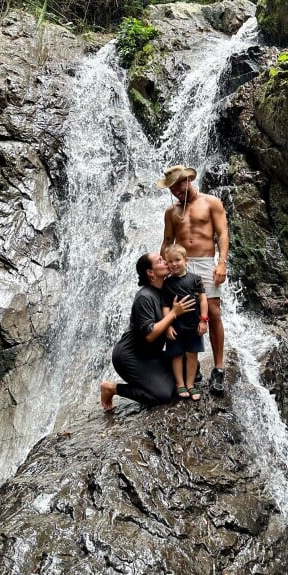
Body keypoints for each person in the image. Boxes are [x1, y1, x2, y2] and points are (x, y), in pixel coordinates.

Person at [158, 164, 228, 394]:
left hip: (206, 262)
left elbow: (222, 233)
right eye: (172, 187)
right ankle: (192, 366)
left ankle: (218, 369)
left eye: (179, 184)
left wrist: (221, 263)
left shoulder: (211, 202)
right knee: (183, 313)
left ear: (188, 180)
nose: (176, 190)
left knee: (213, 313)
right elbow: (168, 240)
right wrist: (161, 268)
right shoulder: (171, 212)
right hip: (180, 264)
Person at [100, 252, 195, 411]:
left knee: (192, 367)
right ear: (150, 272)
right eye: (160, 261)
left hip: (152, 355)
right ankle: (111, 388)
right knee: (162, 395)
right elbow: (150, 335)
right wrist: (173, 313)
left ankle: (154, 381)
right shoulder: (144, 297)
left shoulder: (166, 290)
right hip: (130, 356)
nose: (165, 262)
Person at [162, 243, 209, 401]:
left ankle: (190, 384)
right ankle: (179, 384)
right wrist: (167, 325)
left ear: (186, 260)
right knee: (176, 355)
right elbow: (166, 306)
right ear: (166, 263)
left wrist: (203, 320)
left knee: (192, 354)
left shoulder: (195, 279)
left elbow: (203, 300)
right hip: (176, 326)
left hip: (194, 324)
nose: (174, 264)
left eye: (177, 260)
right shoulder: (167, 283)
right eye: (170, 261)